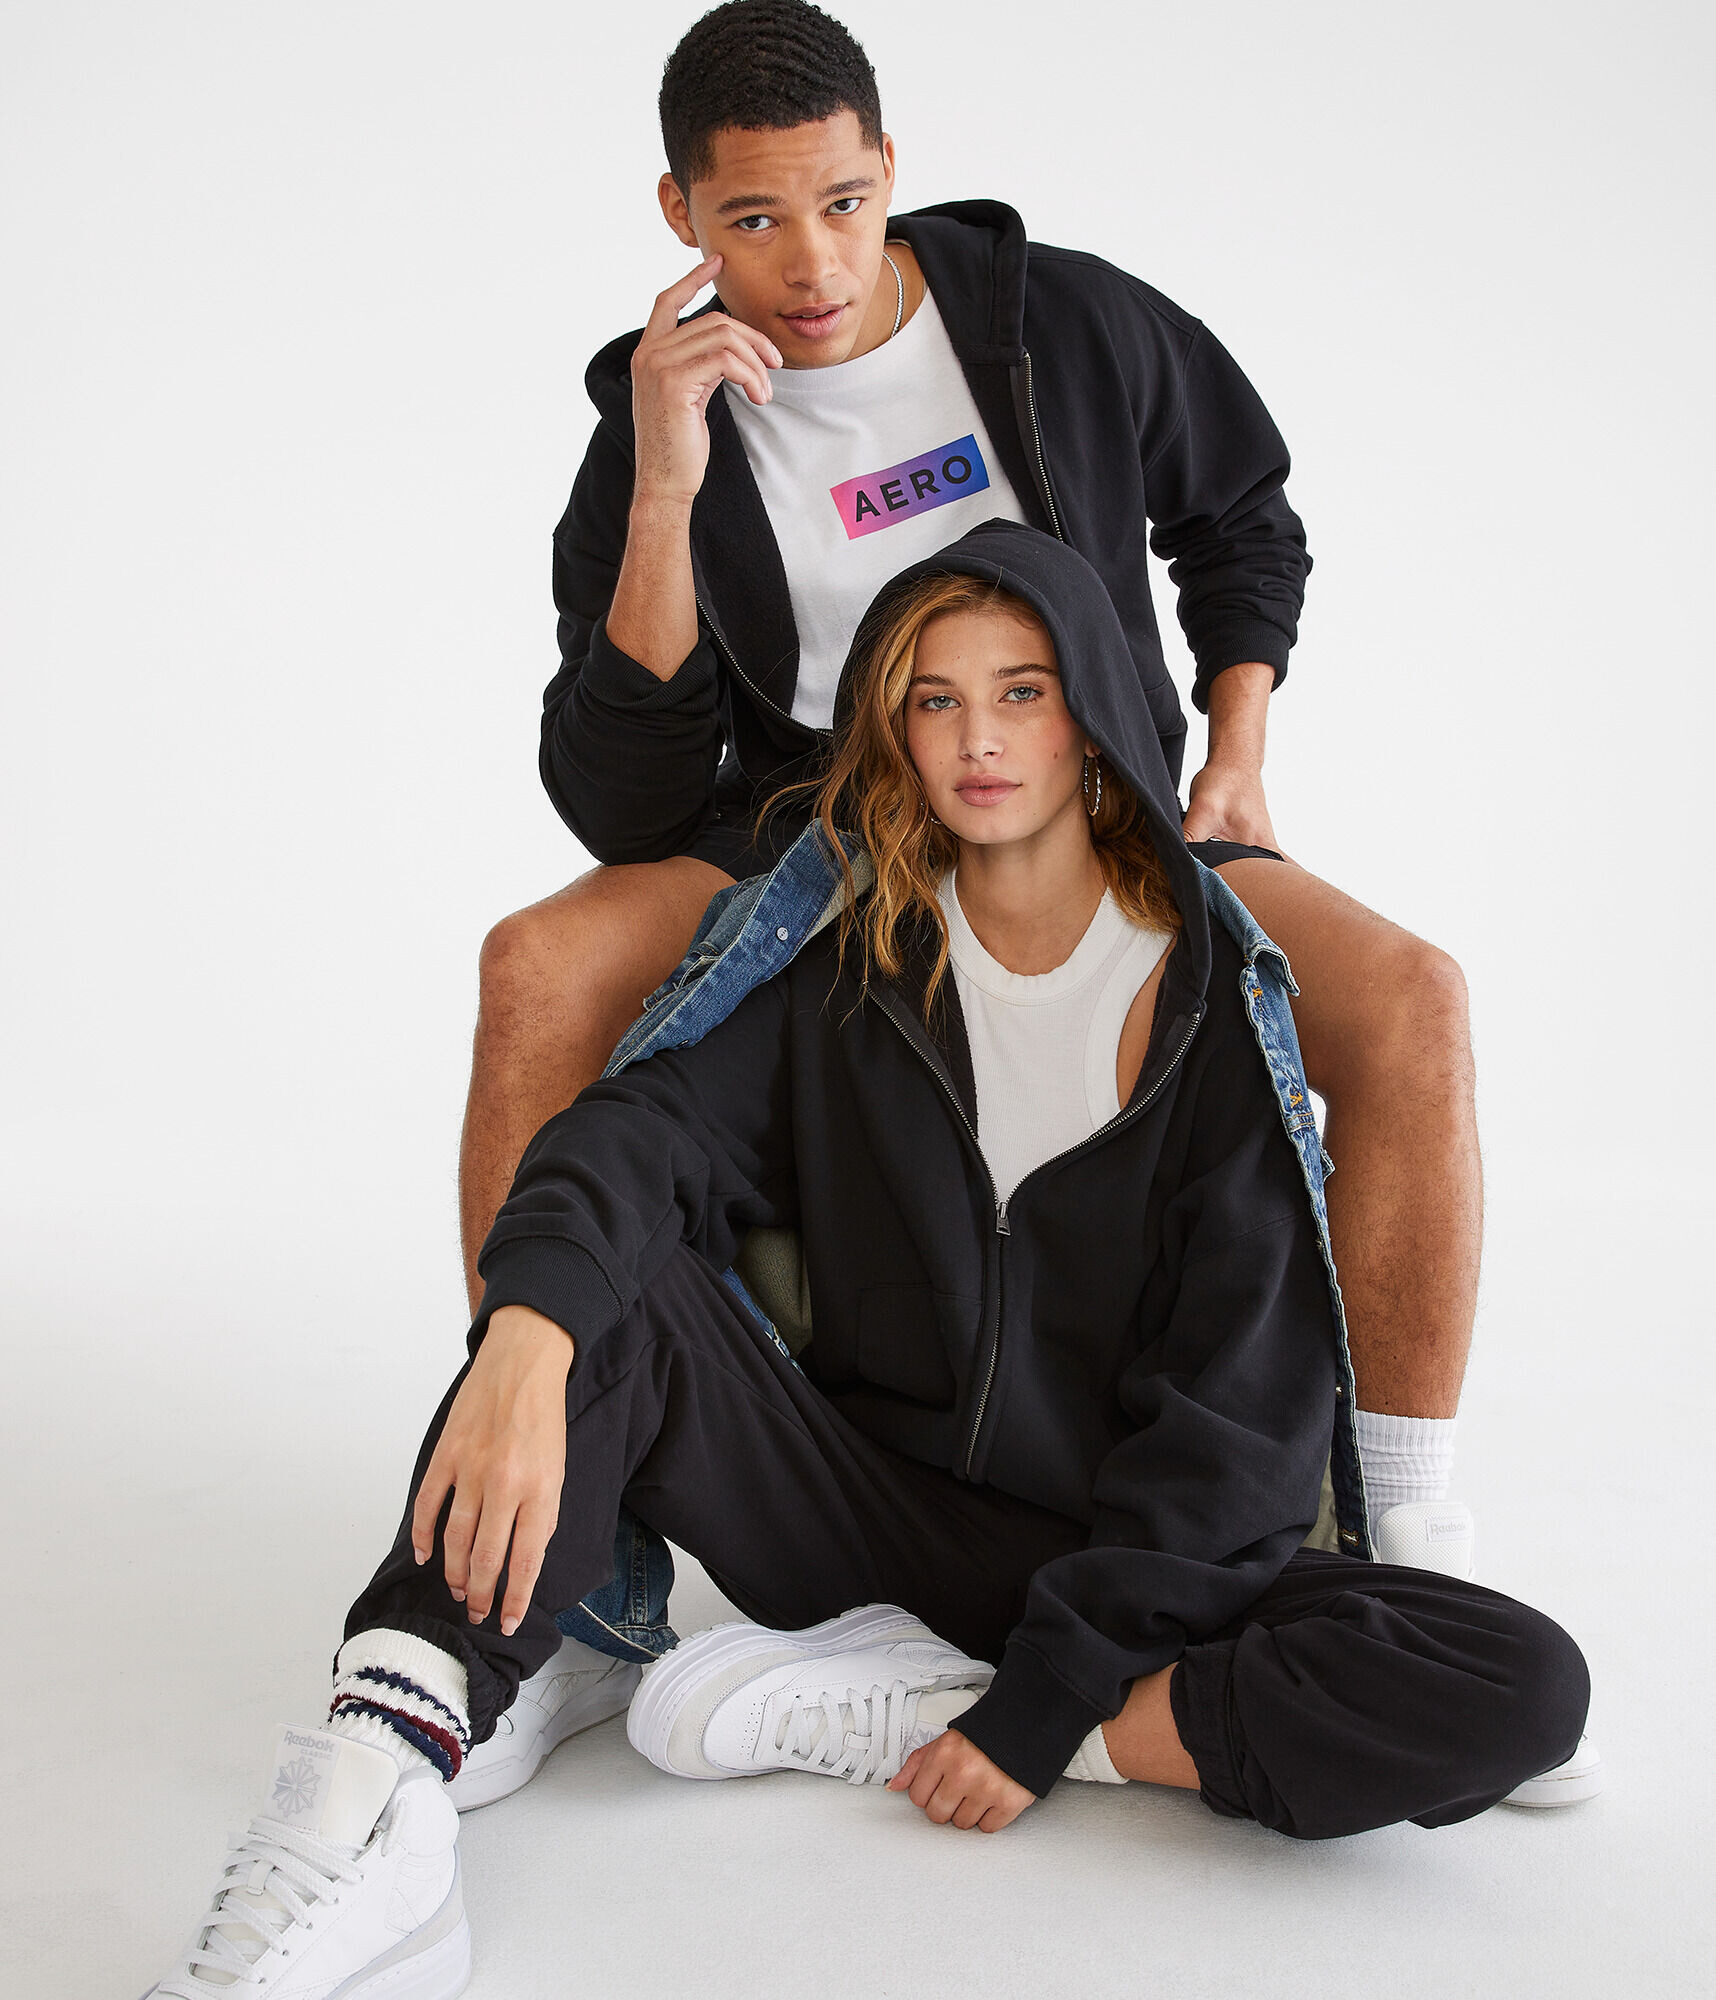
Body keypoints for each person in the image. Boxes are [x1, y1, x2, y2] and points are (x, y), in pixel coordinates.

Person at [145, 526, 1590, 1998]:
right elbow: (642, 1132)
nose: (978, 740)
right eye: (935, 700)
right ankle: (377, 1776)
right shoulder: (849, 964)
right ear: (893, 728)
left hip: (1118, 1566)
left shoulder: (1214, 1008)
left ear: (1092, 712)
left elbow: (1239, 1430)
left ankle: (936, 1708)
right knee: (605, 1289)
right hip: (856, 1511)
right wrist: (525, 1330)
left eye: (1021, 693)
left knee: (1520, 1684)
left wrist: (1040, 1715)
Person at [459, 0, 1598, 1805]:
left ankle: (1405, 1540)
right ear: (679, 214)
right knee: (537, 967)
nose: (812, 263)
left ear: (889, 169)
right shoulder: (654, 417)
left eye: (843, 202)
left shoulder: (1052, 318)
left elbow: (1242, 511)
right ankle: (564, 1599)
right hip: (813, 832)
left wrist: (1234, 746)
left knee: (1413, 998)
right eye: (753, 219)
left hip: (1098, 792)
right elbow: (623, 801)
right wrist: (668, 481)